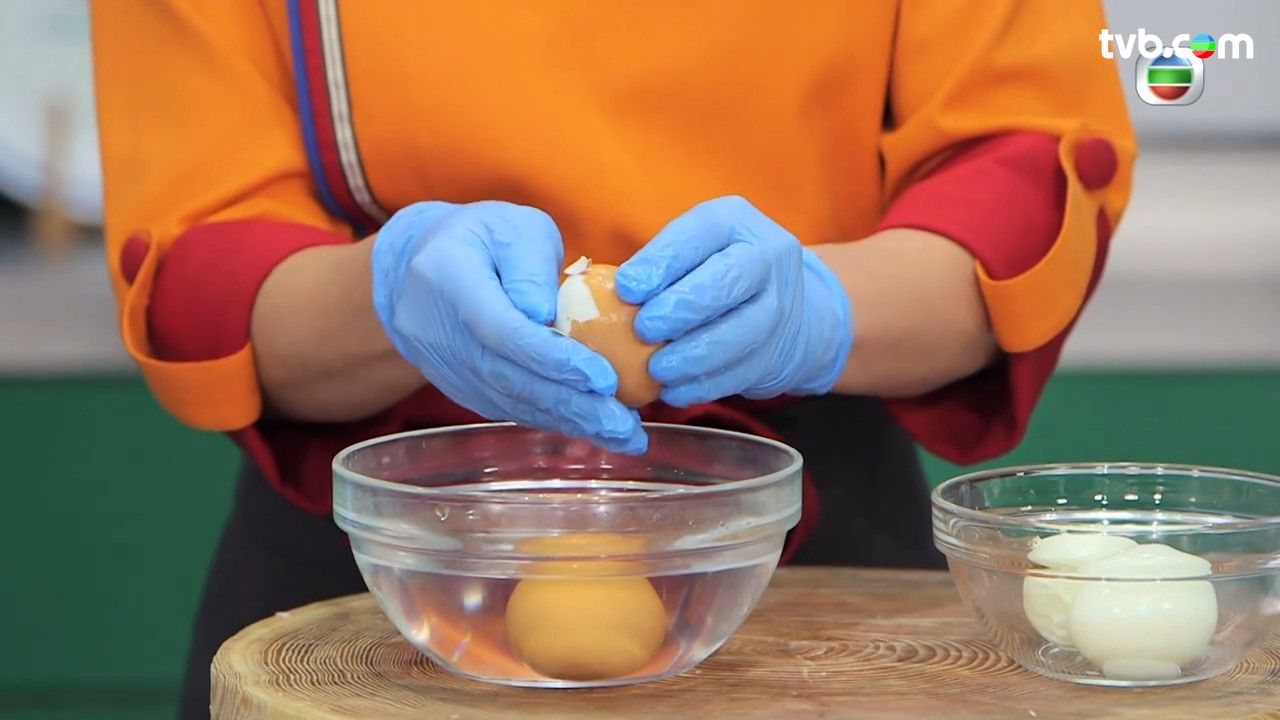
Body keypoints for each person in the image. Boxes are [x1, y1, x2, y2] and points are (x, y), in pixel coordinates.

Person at [91, 2, 1134, 716]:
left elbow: (1022, 162)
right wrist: (385, 293)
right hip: (386, 559)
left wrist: (822, 309)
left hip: (801, 533)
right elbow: (198, 257)